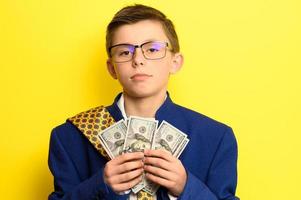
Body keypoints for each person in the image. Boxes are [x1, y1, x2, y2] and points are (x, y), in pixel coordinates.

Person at [48, 4, 239, 200]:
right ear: (111, 68)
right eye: (124, 52)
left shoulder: (216, 138)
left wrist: (186, 187)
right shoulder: (70, 137)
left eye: (153, 49)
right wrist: (100, 186)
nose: (138, 59)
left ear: (175, 62)